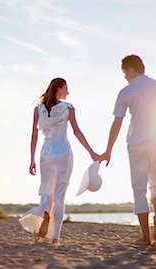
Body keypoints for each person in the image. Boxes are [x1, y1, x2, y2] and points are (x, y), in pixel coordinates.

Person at [100, 54, 156, 245]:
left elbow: (117, 123)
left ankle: (146, 236)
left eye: (124, 72)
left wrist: (108, 150)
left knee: (139, 190)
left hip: (136, 144)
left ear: (130, 69)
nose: (124, 77)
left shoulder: (125, 91)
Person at [19, 78, 99, 244]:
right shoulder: (68, 107)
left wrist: (32, 159)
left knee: (47, 193)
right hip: (63, 153)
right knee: (60, 196)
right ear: (59, 89)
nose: (68, 92)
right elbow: (77, 131)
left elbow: (34, 135)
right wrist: (92, 152)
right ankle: (55, 238)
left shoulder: (38, 109)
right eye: (66, 89)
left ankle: (46, 212)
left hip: (46, 153)